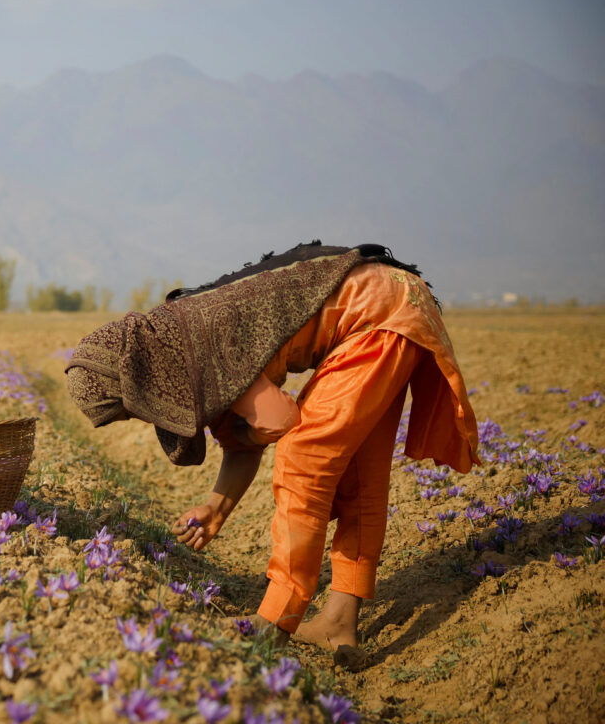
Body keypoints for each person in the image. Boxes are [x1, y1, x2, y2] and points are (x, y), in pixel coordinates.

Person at [65, 242, 478, 666]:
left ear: (133, 380)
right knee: (357, 473)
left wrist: (252, 425)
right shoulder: (174, 343)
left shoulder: (194, 348)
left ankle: (275, 620)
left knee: (304, 457)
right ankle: (339, 620)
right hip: (395, 302)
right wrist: (216, 508)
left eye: (128, 409)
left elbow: (278, 420)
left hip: (375, 313)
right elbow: (242, 437)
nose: (142, 415)